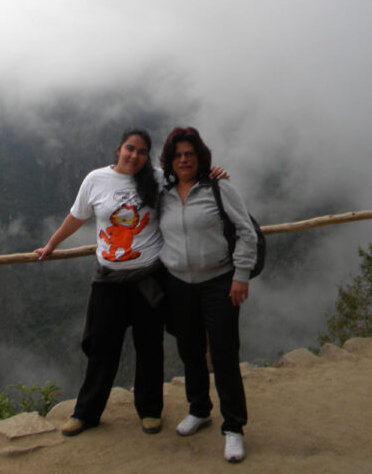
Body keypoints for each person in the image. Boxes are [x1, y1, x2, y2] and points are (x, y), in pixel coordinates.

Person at [35, 128, 226, 437]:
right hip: (108, 279)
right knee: (102, 347)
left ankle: (150, 411)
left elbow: (191, 180)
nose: (134, 155)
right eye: (130, 149)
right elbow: (77, 216)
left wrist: (213, 173)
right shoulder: (95, 180)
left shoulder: (159, 178)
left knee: (149, 346)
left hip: (148, 277)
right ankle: (86, 412)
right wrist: (51, 244)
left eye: (141, 151)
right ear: (119, 149)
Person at [157, 126, 256, 463]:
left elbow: (246, 232)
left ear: (200, 157)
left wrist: (241, 275)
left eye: (190, 154)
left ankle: (233, 427)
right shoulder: (163, 193)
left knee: (225, 353)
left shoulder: (218, 188)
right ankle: (199, 409)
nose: (184, 160)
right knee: (191, 351)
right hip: (178, 284)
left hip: (219, 281)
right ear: (170, 161)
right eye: (178, 155)